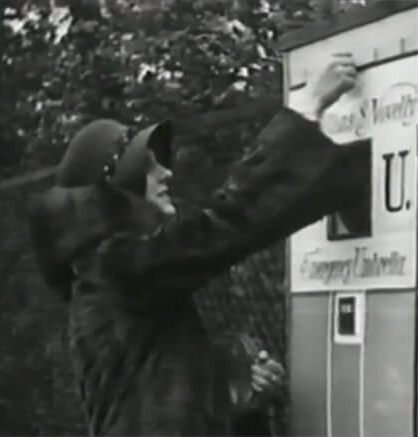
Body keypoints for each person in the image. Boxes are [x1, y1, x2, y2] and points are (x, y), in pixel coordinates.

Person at [29, 54, 369, 435]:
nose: (165, 172)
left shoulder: (106, 276)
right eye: (148, 164)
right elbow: (227, 224)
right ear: (115, 189)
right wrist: (306, 110)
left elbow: (152, 387)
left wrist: (235, 384)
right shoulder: (115, 265)